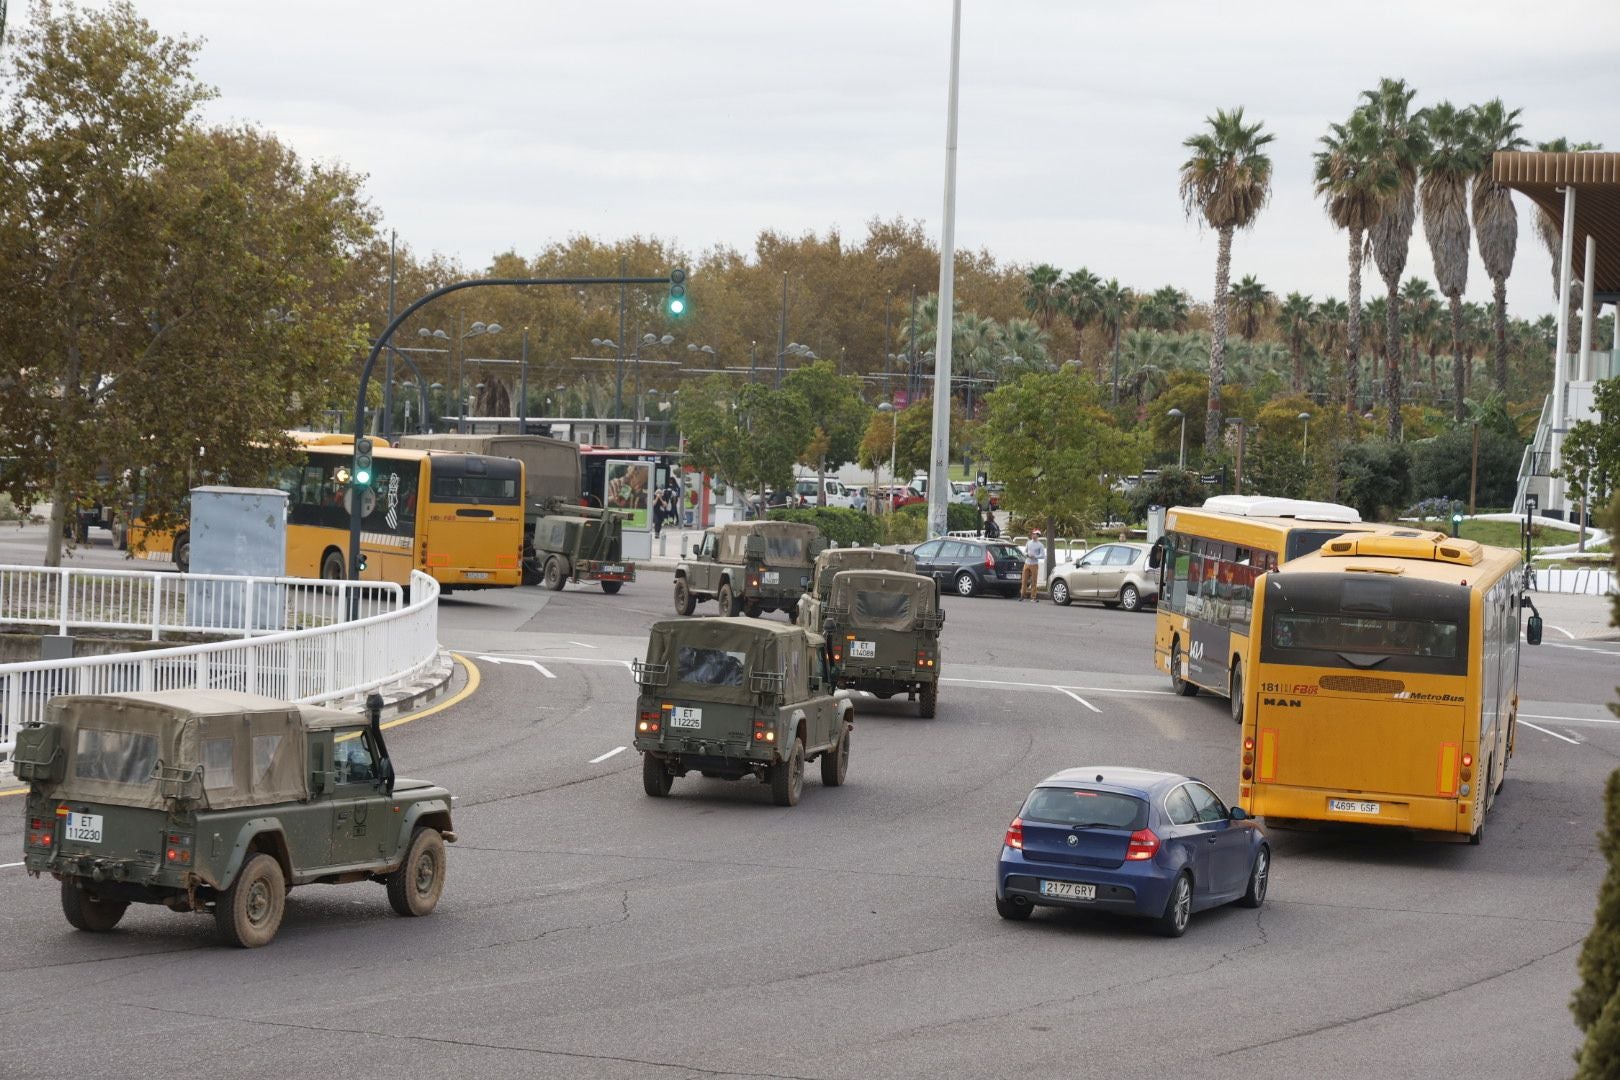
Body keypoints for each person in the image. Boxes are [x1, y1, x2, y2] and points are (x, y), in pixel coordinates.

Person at [1021, 528, 1046, 602]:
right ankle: (1022, 595)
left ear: (1038, 535)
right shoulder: (1028, 542)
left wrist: (1035, 556)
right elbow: (1024, 552)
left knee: (1034, 581)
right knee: (1024, 580)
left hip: (1034, 564)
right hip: (1027, 563)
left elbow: (1043, 555)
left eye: (1035, 534)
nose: (1033, 535)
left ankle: (1033, 597)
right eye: (1032, 534)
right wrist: (1027, 554)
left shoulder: (1040, 545)